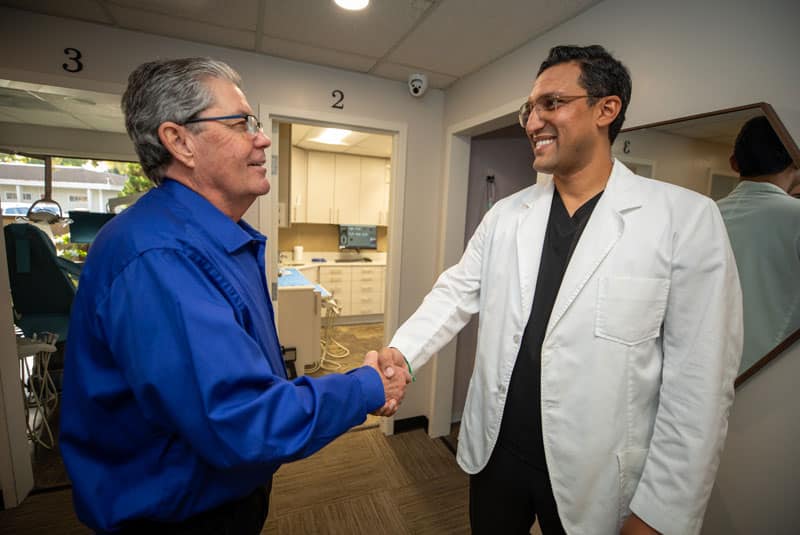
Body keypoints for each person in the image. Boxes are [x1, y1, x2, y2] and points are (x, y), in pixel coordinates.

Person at [376, 45, 742, 534]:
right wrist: (402, 352)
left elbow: (700, 386)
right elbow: (455, 292)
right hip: (497, 452)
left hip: (596, 473)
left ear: (605, 110)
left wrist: (662, 513)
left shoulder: (685, 220)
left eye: (552, 104)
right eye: (531, 109)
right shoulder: (506, 215)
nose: (532, 123)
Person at [59, 57, 409, 534]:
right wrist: (367, 386)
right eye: (242, 123)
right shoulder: (159, 256)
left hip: (219, 495)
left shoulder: (214, 240)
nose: (261, 138)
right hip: (178, 516)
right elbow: (242, 421)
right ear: (179, 140)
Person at [717, 116, 800, 373]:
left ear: (734, 162)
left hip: (706, 371)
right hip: (772, 374)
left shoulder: (705, 214)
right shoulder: (795, 217)